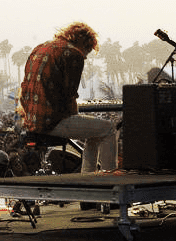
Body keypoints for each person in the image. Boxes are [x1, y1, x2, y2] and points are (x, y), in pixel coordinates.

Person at [20, 22, 117, 173]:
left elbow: (24, 89)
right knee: (109, 128)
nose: (85, 56)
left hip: (31, 121)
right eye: (88, 51)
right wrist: (76, 119)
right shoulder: (74, 54)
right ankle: (110, 176)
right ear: (85, 43)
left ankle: (89, 176)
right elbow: (69, 96)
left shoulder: (39, 48)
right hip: (51, 122)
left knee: (95, 131)